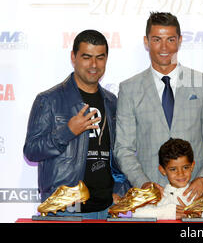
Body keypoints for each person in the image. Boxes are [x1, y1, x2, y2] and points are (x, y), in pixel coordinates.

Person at [114, 12, 203, 201]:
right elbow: (123, 148)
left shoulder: (202, 84)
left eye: (170, 39)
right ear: (146, 41)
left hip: (194, 196)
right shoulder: (129, 89)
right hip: (150, 198)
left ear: (180, 41)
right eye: (157, 39)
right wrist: (144, 184)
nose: (164, 47)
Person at [23, 30, 130, 219]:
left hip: (106, 209)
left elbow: (119, 153)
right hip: (64, 209)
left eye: (100, 58)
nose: (94, 65)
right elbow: (31, 151)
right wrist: (67, 132)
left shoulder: (112, 101)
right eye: (86, 57)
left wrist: (120, 190)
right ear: (73, 57)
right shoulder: (49, 100)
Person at [133, 138, 203, 220]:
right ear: (163, 170)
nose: (180, 174)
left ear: (192, 166)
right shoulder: (160, 196)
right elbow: (133, 213)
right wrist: (168, 212)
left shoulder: (199, 194)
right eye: (173, 169)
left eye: (185, 167)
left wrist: (196, 212)